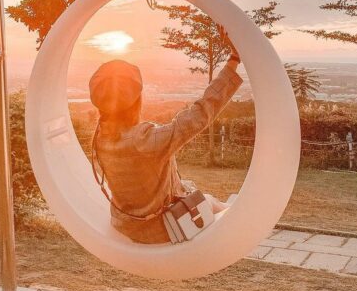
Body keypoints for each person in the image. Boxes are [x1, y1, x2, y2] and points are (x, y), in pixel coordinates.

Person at [89, 43, 242, 244]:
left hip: (125, 224)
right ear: (137, 101)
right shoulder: (143, 140)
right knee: (212, 202)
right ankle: (238, 213)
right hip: (161, 228)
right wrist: (234, 60)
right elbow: (199, 115)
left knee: (193, 190)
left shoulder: (100, 138)